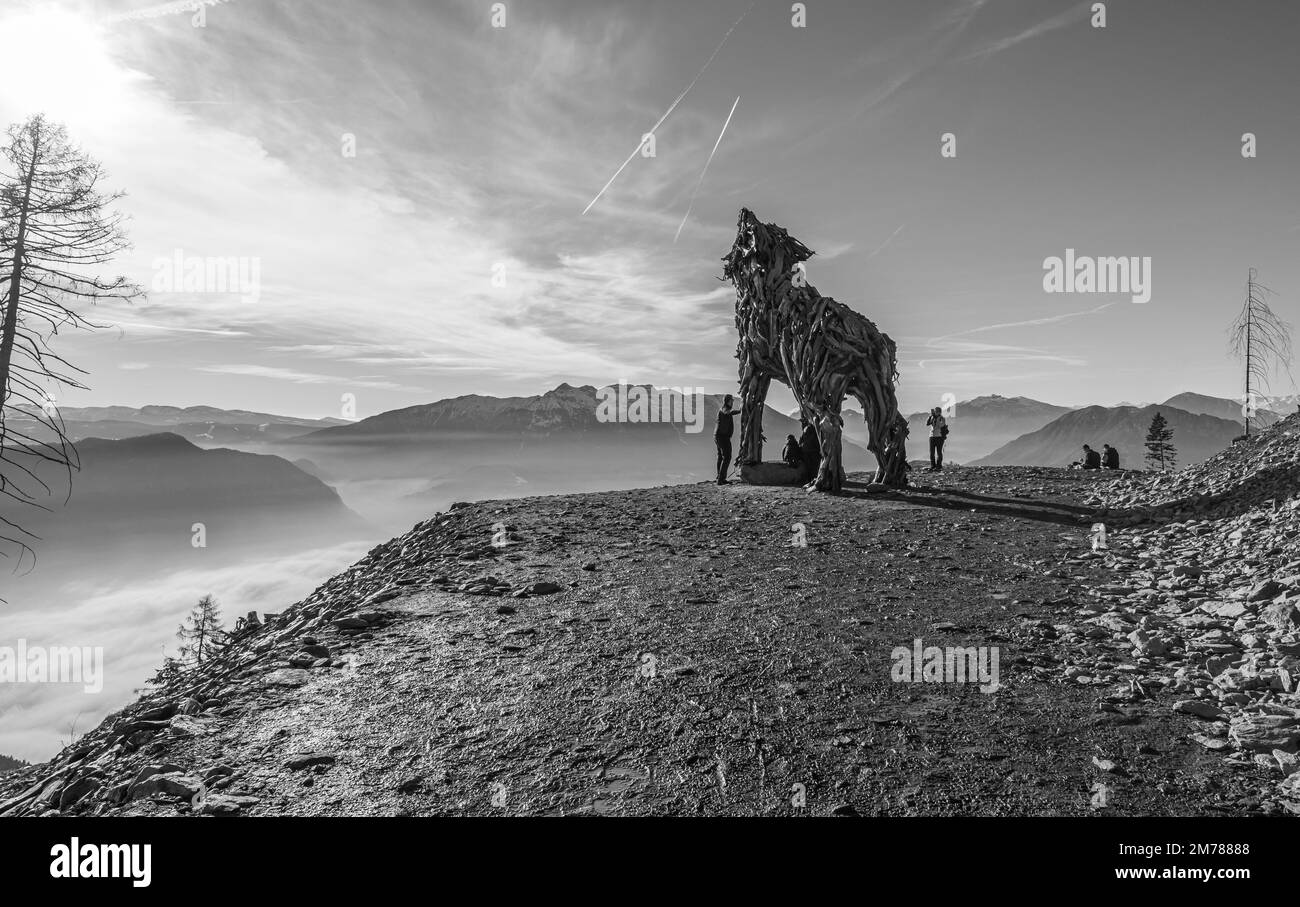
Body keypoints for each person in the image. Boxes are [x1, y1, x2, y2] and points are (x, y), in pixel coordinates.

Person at [715, 394, 740, 484]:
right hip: (722, 437)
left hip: (718, 436)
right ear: (728, 401)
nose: (733, 402)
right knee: (727, 457)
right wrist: (740, 411)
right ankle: (721, 479)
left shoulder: (723, 409)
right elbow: (727, 412)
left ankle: (719, 477)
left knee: (721, 457)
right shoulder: (725, 409)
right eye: (732, 400)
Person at [798, 418, 821, 483]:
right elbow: (816, 441)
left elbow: (801, 441)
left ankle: (809, 479)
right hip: (813, 451)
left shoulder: (805, 430)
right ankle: (813, 479)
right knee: (814, 466)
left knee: (808, 466)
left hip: (805, 450)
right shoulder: (814, 429)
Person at [925, 406, 948, 471]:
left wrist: (936, 418)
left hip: (939, 437)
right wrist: (930, 416)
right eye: (935, 411)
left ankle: (938, 466)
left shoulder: (942, 418)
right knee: (931, 452)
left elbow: (941, 425)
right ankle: (933, 466)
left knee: (939, 452)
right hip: (931, 436)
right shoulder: (932, 417)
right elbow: (927, 423)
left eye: (936, 411)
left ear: (939, 412)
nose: (935, 413)